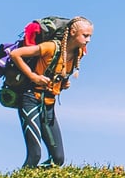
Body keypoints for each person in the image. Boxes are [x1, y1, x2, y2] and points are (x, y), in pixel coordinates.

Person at [8, 16, 93, 168]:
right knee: (35, 155)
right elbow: (15, 54)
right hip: (31, 99)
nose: (88, 40)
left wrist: (64, 83)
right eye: (85, 35)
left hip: (49, 104)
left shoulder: (78, 54)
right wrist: (33, 76)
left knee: (58, 159)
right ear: (73, 32)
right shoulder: (51, 47)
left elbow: (60, 73)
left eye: (90, 36)